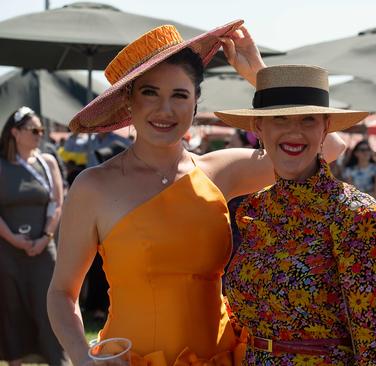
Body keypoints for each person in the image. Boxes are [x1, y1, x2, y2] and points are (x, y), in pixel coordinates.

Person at [47, 23, 346, 366]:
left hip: (220, 357)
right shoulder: (94, 186)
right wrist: (82, 358)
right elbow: (60, 293)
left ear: (195, 102)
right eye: (150, 93)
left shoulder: (219, 171)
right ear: (128, 102)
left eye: (179, 95)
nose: (165, 110)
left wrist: (260, 77)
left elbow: (328, 144)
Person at [216, 64, 376, 364]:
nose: (293, 130)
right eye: (279, 118)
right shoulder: (254, 210)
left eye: (307, 119)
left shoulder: (356, 216)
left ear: (325, 127)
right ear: (258, 127)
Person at [0, 107, 67, 365]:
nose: (40, 134)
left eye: (42, 129)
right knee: (11, 307)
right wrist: (13, 239)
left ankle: (56, 359)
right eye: (34, 130)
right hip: (7, 251)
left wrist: (45, 237)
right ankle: (16, 359)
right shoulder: (2, 166)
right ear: (15, 132)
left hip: (44, 247)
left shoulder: (47, 162)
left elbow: (57, 203)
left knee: (49, 305)